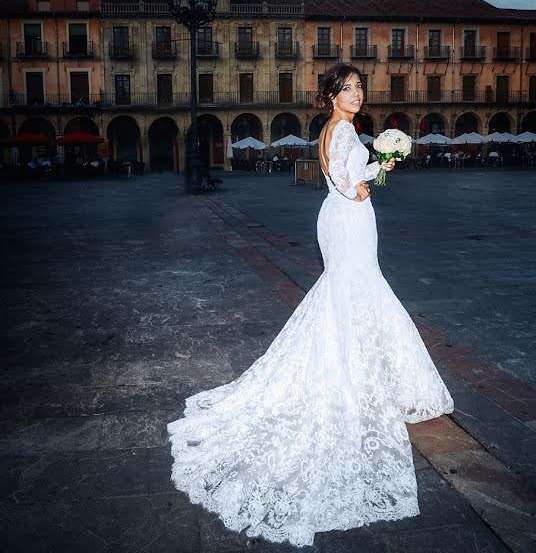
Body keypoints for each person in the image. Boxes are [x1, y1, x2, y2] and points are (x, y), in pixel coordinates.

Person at [167, 64, 454, 547]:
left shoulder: (332, 130)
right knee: (357, 290)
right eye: (348, 89)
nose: (357, 95)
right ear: (331, 96)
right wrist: (366, 182)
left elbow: (344, 170)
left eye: (359, 87)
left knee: (348, 293)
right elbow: (346, 181)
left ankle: (358, 368)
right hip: (350, 217)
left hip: (338, 220)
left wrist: (380, 163)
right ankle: (358, 376)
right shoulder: (342, 131)